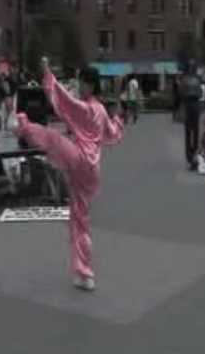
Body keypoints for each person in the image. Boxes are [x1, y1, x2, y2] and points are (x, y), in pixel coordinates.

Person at [9, 57, 124, 291]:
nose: (80, 87)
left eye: (82, 83)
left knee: (52, 138)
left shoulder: (88, 107)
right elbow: (112, 135)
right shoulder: (101, 111)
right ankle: (85, 273)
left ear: (90, 85)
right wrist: (118, 119)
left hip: (79, 159)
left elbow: (65, 102)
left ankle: (22, 125)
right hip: (92, 170)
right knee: (79, 220)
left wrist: (47, 73)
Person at [180, 59, 203, 171]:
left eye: (193, 66)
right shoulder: (184, 79)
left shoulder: (198, 79)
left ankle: (195, 155)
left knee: (196, 131)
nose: (192, 68)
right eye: (190, 66)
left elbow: (201, 92)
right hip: (188, 105)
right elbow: (181, 92)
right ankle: (189, 157)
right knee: (188, 132)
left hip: (195, 105)